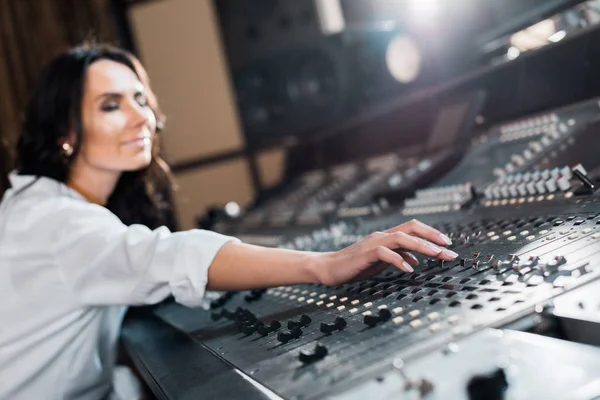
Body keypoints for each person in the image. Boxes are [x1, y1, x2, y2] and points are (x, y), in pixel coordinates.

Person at [0, 43, 458, 400]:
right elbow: (165, 256)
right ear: (64, 131)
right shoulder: (52, 222)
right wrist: (322, 265)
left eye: (141, 98)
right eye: (111, 104)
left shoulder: (51, 209)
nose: (142, 116)